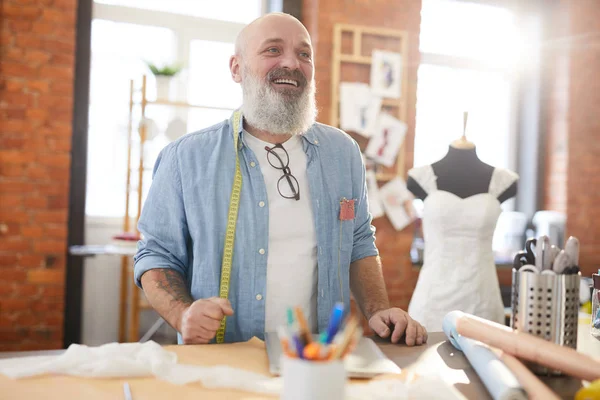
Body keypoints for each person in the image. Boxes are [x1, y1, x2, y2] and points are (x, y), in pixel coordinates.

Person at [133, 12, 427, 346]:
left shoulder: (343, 153)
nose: (291, 62)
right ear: (236, 68)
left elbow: (359, 241)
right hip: (225, 356)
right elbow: (156, 256)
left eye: (304, 54)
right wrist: (182, 314)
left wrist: (378, 308)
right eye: (273, 50)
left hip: (318, 355)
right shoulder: (185, 158)